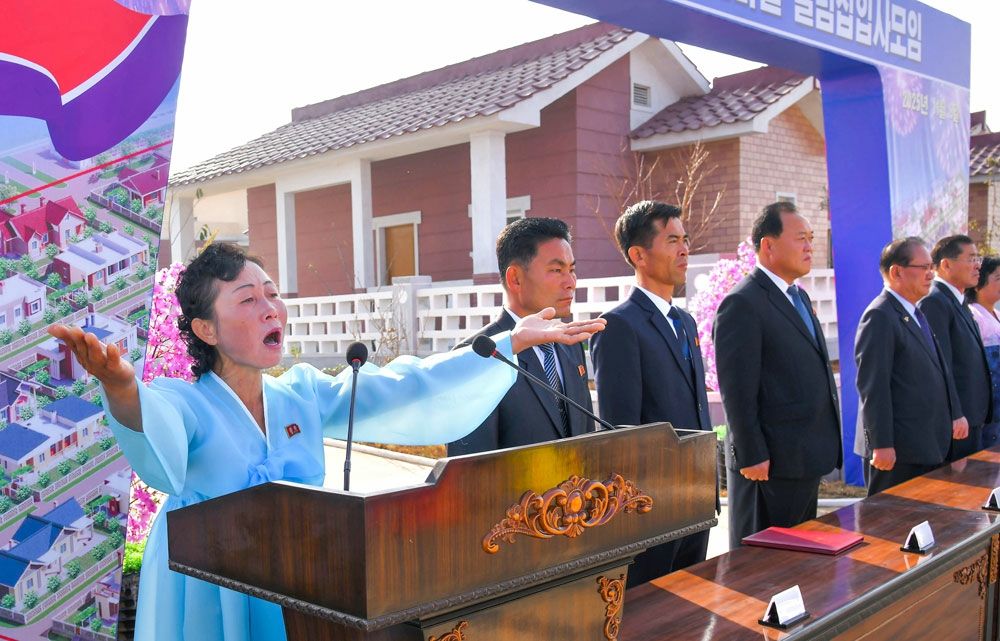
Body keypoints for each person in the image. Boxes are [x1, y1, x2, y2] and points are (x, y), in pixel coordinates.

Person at [48, 243, 605, 641]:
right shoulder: (184, 399)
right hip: (210, 588)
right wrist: (121, 387)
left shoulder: (302, 394)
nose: (270, 307)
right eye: (247, 299)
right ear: (205, 329)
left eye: (272, 294)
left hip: (295, 580)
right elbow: (154, 431)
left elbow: (405, 385)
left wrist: (509, 342)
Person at [590, 201, 714, 585]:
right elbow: (621, 430)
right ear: (638, 255)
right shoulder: (619, 325)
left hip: (697, 494)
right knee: (653, 606)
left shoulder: (685, 321)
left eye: (685, 240)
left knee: (694, 602)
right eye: (672, 240)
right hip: (653, 505)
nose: (684, 250)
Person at [714, 201, 841, 549]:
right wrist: (752, 453)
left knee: (799, 560)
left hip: (803, 458)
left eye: (811, 238)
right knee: (763, 563)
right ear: (768, 245)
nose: (809, 246)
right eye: (801, 238)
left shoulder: (798, 297)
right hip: (769, 465)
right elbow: (737, 390)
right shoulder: (743, 303)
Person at [447, 218, 595, 455]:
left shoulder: (570, 343)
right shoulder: (478, 356)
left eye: (572, 270)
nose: (571, 283)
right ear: (515, 278)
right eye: (557, 270)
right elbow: (470, 465)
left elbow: (587, 437)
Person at [854, 237, 960, 495]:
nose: (930, 274)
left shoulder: (915, 313)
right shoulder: (880, 315)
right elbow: (874, 386)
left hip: (925, 445)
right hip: (898, 453)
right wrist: (881, 443)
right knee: (889, 518)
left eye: (931, 267)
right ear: (896, 272)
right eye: (923, 267)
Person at [918, 235, 989, 459]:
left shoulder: (958, 299)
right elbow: (941, 365)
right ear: (946, 264)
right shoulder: (934, 301)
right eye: (971, 258)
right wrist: (955, 413)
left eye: (978, 258)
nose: (977, 265)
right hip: (956, 423)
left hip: (972, 416)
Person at [967, 255, 1000, 449]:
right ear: (978, 284)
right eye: (998, 278)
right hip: (989, 408)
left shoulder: (996, 314)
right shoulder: (973, 315)